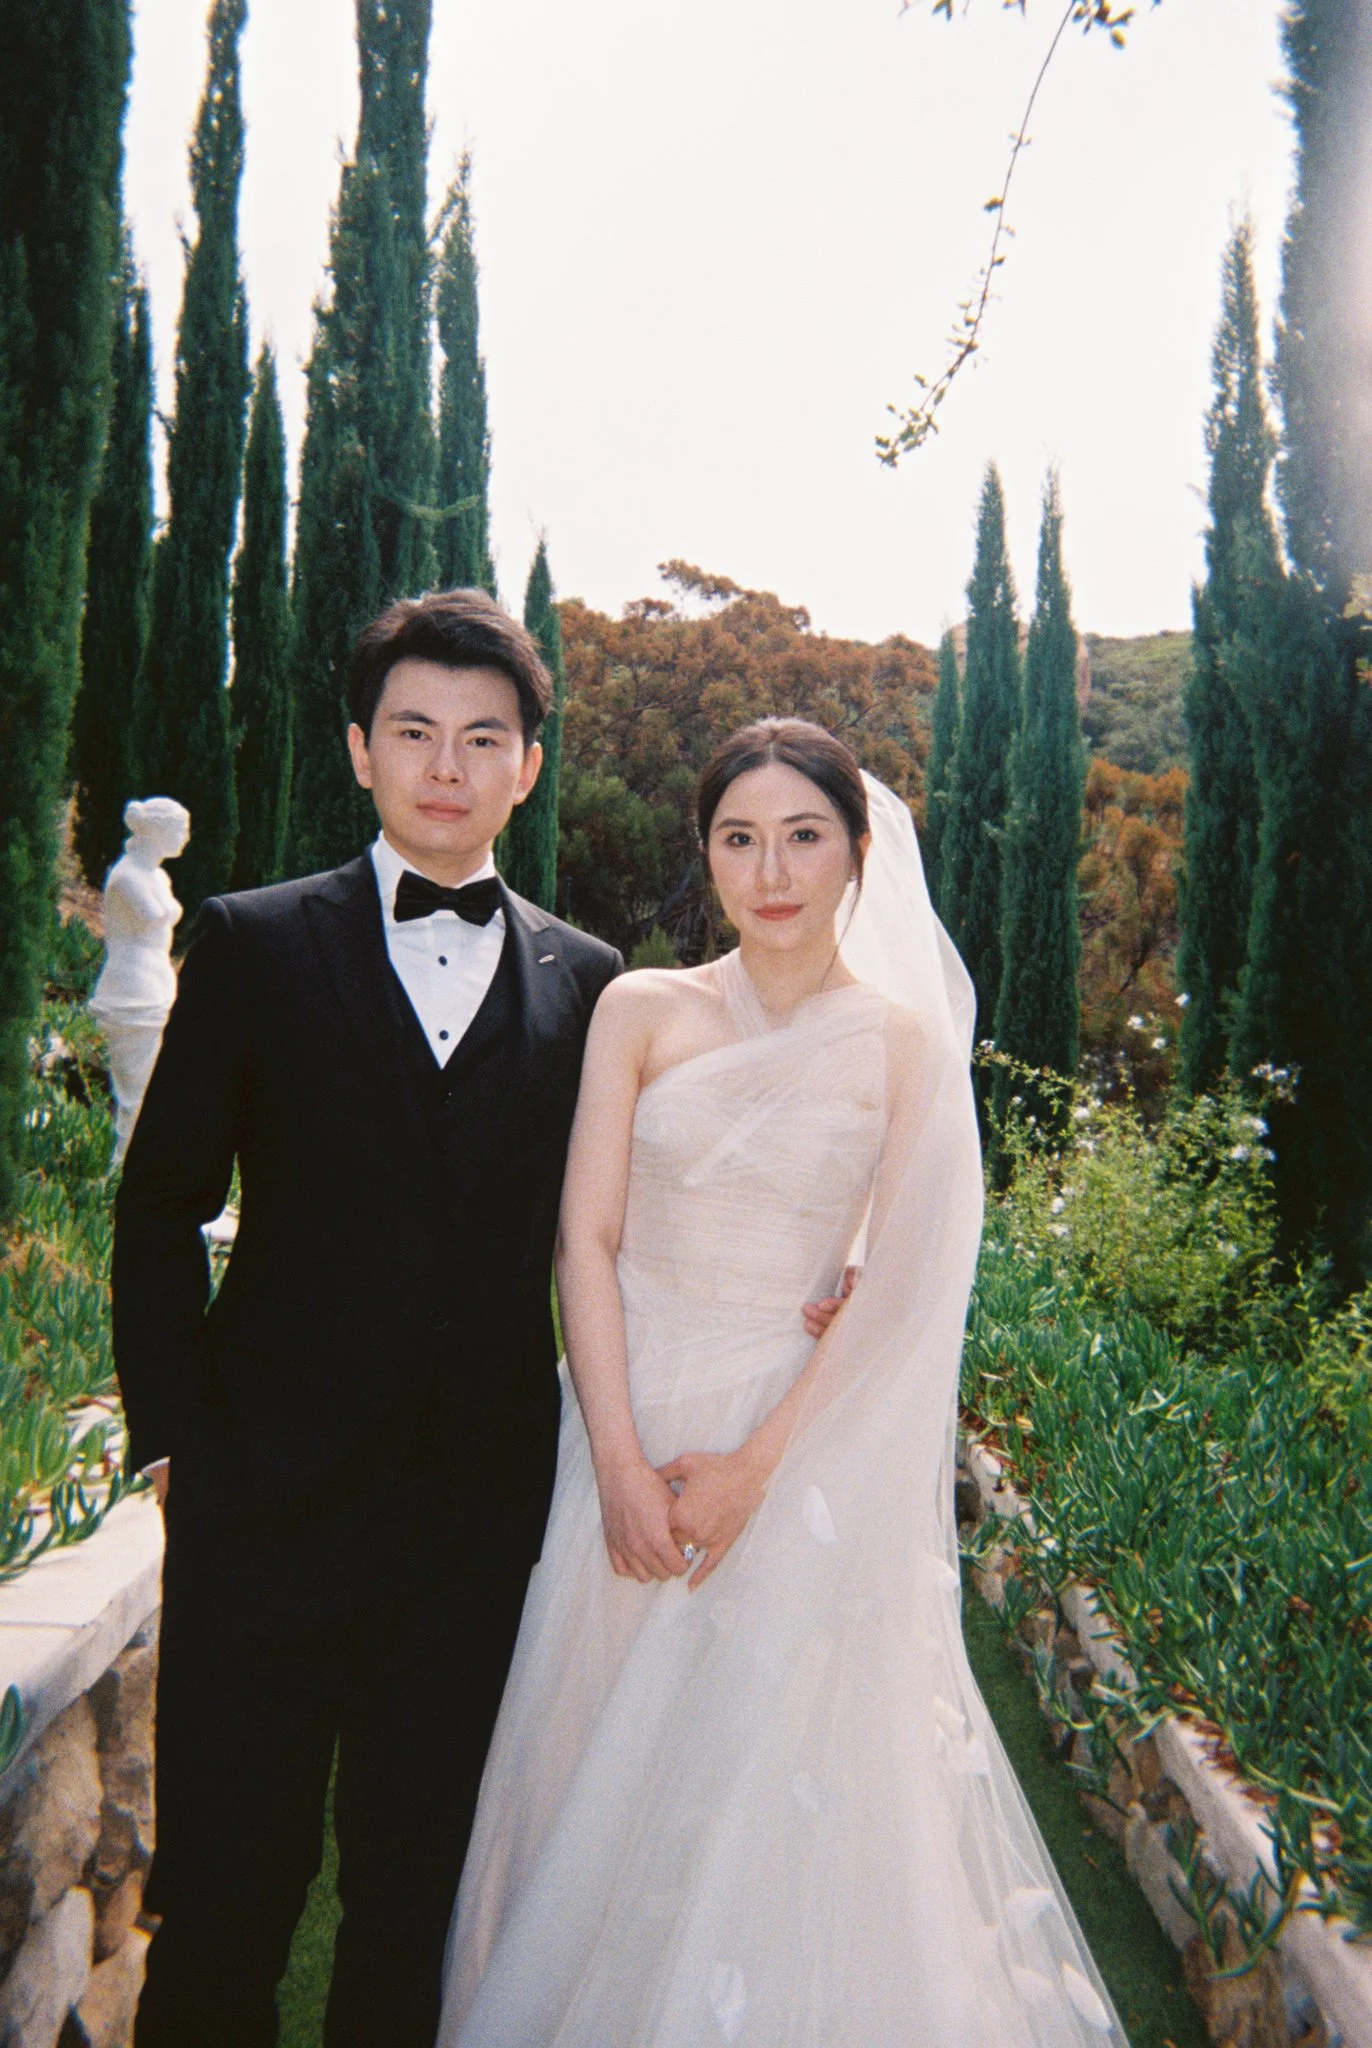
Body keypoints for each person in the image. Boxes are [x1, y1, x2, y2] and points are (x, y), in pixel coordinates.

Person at [439, 718, 1126, 2046]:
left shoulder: (904, 1048)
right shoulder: (642, 1008)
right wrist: (620, 1465)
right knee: (576, 1764)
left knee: (771, 1795)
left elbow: (907, 1288)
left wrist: (758, 1469)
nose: (771, 871)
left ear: (857, 851)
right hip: (625, 1417)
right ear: (706, 853)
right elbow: (586, 1236)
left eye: (803, 836)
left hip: (792, 1444)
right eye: (739, 838)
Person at [112, 589, 625, 2048]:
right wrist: (177, 1441)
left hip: (471, 1534)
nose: (446, 767)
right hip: (261, 1508)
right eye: (414, 732)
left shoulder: (592, 984)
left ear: (529, 765)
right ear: (359, 750)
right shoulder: (254, 941)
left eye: (483, 738)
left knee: (415, 1912)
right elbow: (160, 1209)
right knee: (224, 1905)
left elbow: (613, 1234)